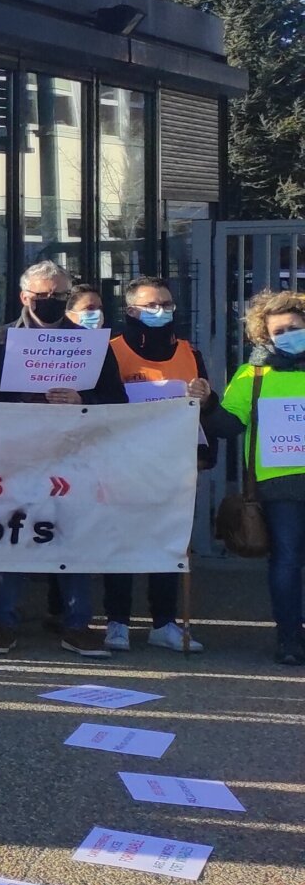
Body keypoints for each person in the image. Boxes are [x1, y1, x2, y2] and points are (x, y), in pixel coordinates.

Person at [0, 259, 125, 655]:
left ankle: (77, 625)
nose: (51, 300)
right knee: (10, 537)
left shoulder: (93, 345)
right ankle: (1, 623)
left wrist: (81, 399)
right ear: (24, 297)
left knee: (74, 537)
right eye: (43, 295)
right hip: (13, 458)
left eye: (58, 295)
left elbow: (117, 403)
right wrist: (19, 399)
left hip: (75, 458)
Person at [105, 276, 239, 653]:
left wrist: (204, 397)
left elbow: (205, 406)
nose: (161, 310)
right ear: (131, 310)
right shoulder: (111, 351)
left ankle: (163, 622)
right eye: (151, 305)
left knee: (168, 544)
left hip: (173, 463)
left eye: (166, 303)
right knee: (121, 544)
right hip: (123, 462)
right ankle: (117, 621)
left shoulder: (188, 353)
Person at [223, 289, 305, 667]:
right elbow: (227, 424)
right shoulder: (253, 374)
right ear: (264, 335)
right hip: (279, 486)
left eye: (295, 327)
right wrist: (204, 401)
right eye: (280, 330)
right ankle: (289, 638)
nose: (289, 334)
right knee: (287, 561)